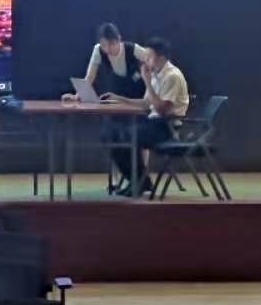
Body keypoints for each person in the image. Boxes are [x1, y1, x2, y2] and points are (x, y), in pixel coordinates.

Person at [66, 22, 149, 192]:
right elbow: (89, 78)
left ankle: (140, 179)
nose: (108, 49)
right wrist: (77, 96)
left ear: (119, 39)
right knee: (110, 135)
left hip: (137, 100)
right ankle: (125, 180)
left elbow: (157, 66)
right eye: (104, 45)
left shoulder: (133, 49)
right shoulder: (98, 51)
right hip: (116, 100)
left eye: (111, 44)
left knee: (133, 137)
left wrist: (150, 86)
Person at [100, 36, 188, 196]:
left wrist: (147, 82)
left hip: (166, 126)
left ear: (161, 58)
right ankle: (138, 181)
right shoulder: (156, 74)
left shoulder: (172, 76)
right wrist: (119, 98)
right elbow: (146, 104)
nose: (145, 61)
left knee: (129, 135)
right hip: (153, 122)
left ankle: (139, 182)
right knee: (110, 134)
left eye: (149, 57)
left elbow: (162, 109)